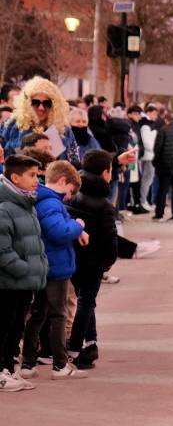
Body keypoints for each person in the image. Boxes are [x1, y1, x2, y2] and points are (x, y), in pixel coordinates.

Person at [20, 160, 86, 380]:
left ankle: (28, 363)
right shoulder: (51, 203)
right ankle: (60, 364)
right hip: (56, 266)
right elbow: (59, 232)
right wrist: (79, 225)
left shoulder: (42, 199)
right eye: (70, 191)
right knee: (58, 314)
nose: (70, 196)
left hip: (43, 265)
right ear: (63, 181)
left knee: (37, 313)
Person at [65, 150, 118, 370]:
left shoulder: (73, 195)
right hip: (93, 260)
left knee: (85, 300)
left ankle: (91, 342)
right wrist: (109, 261)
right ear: (106, 173)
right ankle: (75, 348)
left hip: (73, 257)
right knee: (87, 301)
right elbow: (110, 238)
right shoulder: (104, 205)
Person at [0, 154, 48, 392]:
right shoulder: (4, 207)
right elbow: (3, 251)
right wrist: (25, 269)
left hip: (23, 282)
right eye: (32, 175)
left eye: (37, 175)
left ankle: (8, 369)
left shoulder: (26, 203)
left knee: (16, 328)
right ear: (15, 177)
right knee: (4, 327)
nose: (36, 180)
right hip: (8, 282)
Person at [153, 111, 173, 220]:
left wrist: (155, 162)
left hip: (165, 165)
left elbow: (157, 149)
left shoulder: (162, 130)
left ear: (166, 120)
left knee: (163, 190)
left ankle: (159, 215)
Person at [138, 104, 160, 211]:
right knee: (147, 179)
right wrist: (156, 149)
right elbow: (146, 142)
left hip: (151, 155)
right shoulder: (146, 125)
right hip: (148, 156)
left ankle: (145, 200)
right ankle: (143, 200)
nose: (156, 116)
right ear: (149, 112)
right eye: (155, 113)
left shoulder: (149, 124)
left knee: (148, 179)